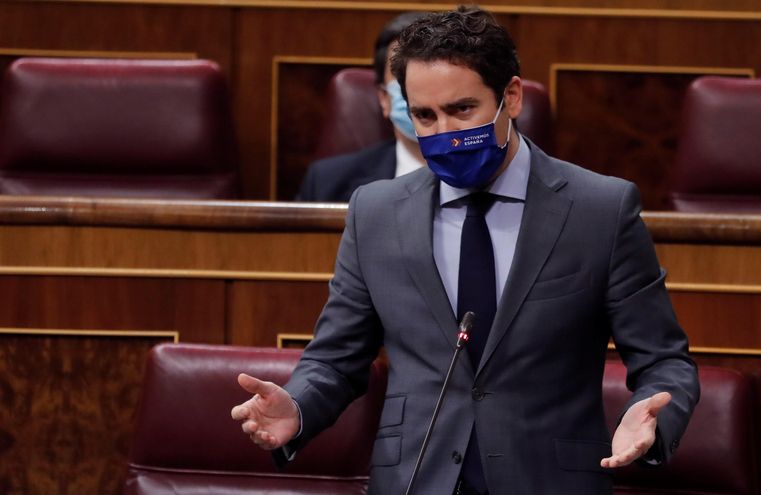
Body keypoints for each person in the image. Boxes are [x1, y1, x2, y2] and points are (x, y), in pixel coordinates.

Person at [233, 6, 700, 494]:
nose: (444, 134)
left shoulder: (599, 209)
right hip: (416, 479)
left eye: (461, 110)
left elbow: (664, 360)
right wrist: (299, 404)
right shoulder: (376, 211)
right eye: (424, 116)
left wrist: (649, 416)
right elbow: (335, 359)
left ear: (511, 97)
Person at [296, 12, 427, 202]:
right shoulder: (326, 183)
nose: (420, 93)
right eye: (402, 75)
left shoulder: (485, 178)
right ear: (384, 99)